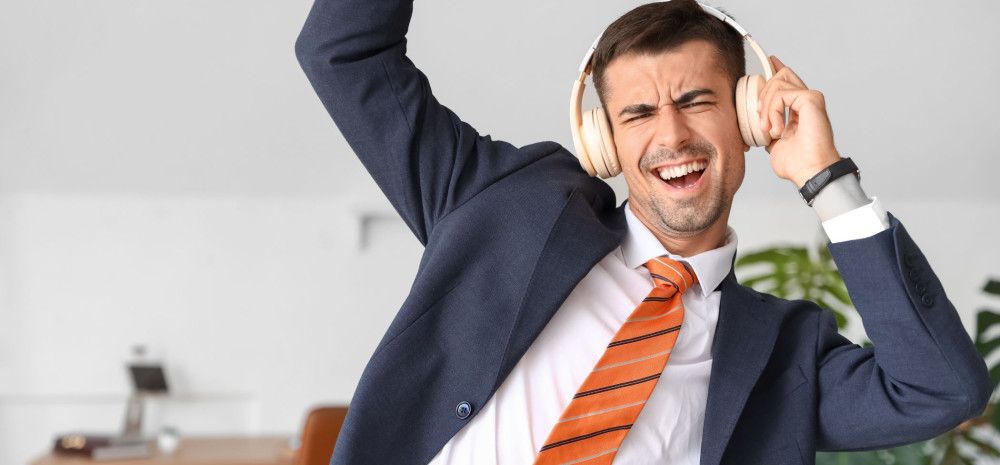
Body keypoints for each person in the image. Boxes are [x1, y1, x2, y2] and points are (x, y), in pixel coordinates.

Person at [294, 0, 992, 464]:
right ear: (603, 141)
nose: (672, 136)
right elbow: (341, 53)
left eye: (696, 101)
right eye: (638, 114)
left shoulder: (783, 352)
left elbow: (943, 391)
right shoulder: (506, 204)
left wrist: (826, 178)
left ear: (749, 119)